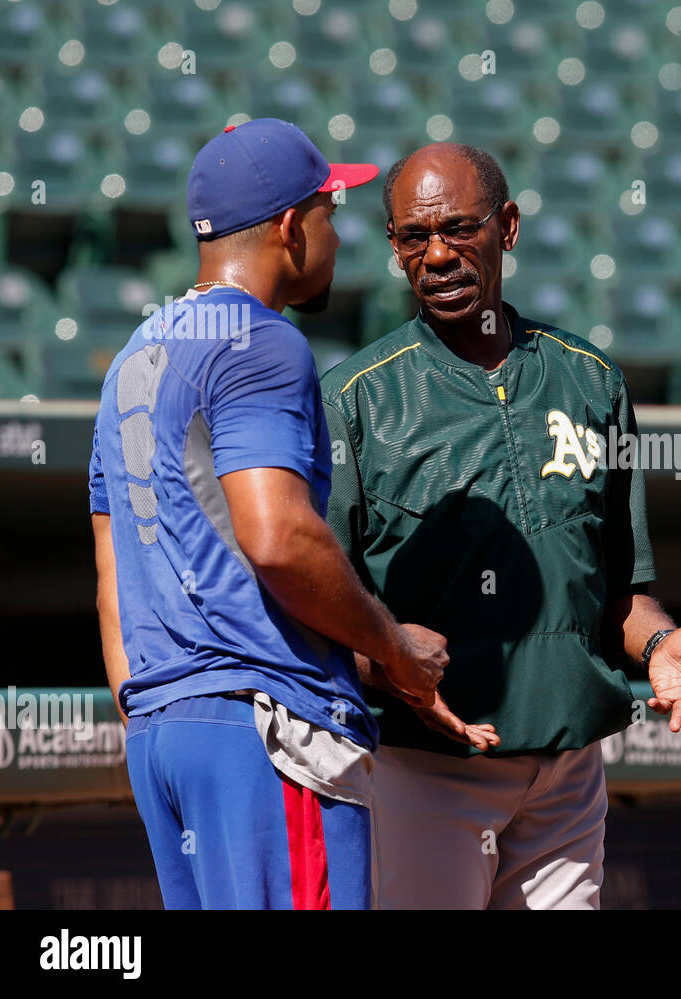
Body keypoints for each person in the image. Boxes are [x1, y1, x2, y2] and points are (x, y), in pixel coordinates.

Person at [320, 141, 681, 910]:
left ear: (507, 226)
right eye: (414, 238)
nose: (438, 255)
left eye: (459, 228)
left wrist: (658, 642)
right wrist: (385, 662)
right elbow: (314, 603)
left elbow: (619, 591)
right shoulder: (354, 397)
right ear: (392, 247)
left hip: (568, 775)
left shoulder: (591, 379)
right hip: (426, 770)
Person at [89, 118, 447, 909]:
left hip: (160, 730)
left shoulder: (131, 359)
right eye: (329, 212)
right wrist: (391, 647)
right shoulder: (261, 339)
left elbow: (113, 575)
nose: (338, 235)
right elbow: (278, 537)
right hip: (262, 729)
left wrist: (150, 708)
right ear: (290, 228)